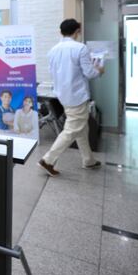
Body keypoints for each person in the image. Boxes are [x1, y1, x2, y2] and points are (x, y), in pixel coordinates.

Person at [38, 19, 104, 176]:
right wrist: (99, 70)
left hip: (63, 95)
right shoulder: (80, 48)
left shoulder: (53, 50)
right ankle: (47, 160)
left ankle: (88, 160)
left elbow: (53, 73)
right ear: (77, 31)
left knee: (82, 129)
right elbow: (89, 73)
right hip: (77, 96)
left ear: (61, 32)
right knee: (71, 130)